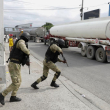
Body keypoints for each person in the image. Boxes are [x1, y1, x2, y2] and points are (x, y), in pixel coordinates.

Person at [0, 32, 30, 105]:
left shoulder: (20, 41)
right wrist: (28, 53)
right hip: (14, 64)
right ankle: (2, 94)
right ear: (26, 37)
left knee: (19, 81)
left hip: (16, 64)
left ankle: (13, 96)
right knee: (16, 82)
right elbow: (25, 50)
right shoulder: (21, 41)